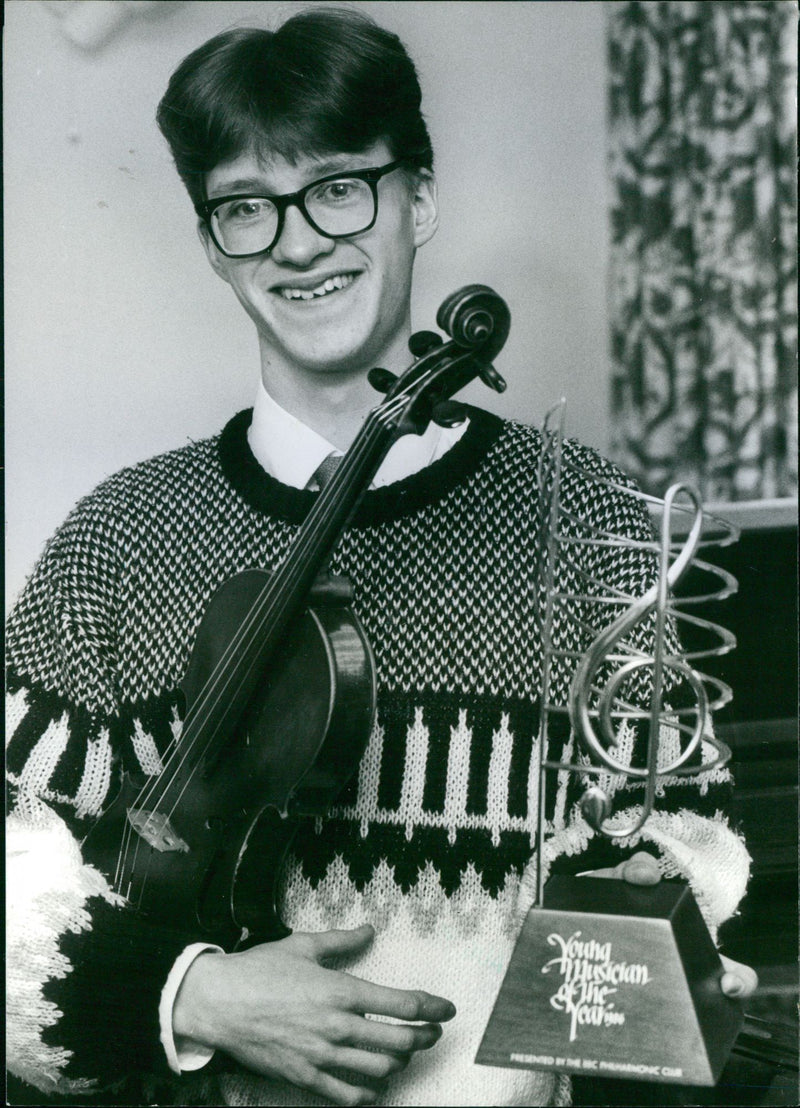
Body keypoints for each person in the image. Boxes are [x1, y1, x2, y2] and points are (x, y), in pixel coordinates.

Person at [6, 9, 755, 1107]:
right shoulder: (115, 540)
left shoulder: (587, 511)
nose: (299, 242)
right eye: (248, 209)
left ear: (421, 198)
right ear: (212, 243)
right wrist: (192, 994)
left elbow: (686, 844)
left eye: (341, 187)